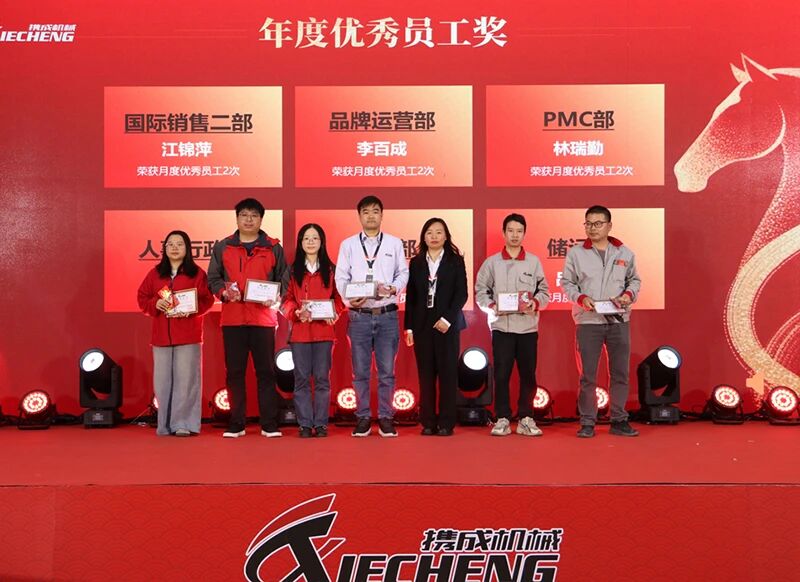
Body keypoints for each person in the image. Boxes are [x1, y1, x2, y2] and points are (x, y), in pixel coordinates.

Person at [207, 198, 288, 438]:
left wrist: (275, 297)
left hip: (263, 320)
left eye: (254, 215)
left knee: (266, 372)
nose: (249, 219)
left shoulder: (274, 247)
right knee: (234, 373)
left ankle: (269, 424)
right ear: (237, 218)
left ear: (261, 219)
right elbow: (213, 278)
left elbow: (284, 280)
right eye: (244, 215)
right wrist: (223, 293)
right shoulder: (223, 247)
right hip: (233, 320)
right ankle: (236, 423)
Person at [562, 205, 642, 438]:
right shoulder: (576, 253)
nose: (592, 228)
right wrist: (581, 298)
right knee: (588, 375)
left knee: (620, 373)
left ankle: (619, 419)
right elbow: (567, 283)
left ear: (609, 226)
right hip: (588, 321)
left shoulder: (624, 253)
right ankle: (588, 422)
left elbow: (634, 281)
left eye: (598, 224)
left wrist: (628, 295)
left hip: (618, 320)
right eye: (588, 224)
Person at [335, 195, 409, 437]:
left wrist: (394, 288)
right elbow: (340, 277)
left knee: (387, 371)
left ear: (382, 215)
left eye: (375, 211)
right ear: (359, 216)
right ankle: (363, 417)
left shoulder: (394, 243)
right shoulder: (348, 245)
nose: (370, 216)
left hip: (387, 314)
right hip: (359, 315)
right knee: (361, 372)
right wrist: (349, 300)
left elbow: (403, 272)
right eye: (365, 212)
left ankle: (386, 417)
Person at [475, 213, 550, 437]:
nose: (515, 235)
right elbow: (480, 291)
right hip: (502, 328)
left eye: (519, 231)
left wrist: (535, 303)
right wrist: (492, 306)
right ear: (504, 233)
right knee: (501, 375)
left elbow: (544, 291)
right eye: (510, 231)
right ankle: (503, 419)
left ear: (524, 233)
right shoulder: (492, 263)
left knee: (528, 375)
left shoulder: (533, 262)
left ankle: (526, 418)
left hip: (527, 328)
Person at [137, 230, 214, 436]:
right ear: (164, 248)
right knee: (162, 383)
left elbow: (208, 300)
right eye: (170, 244)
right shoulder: (155, 274)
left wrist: (193, 308)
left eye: (179, 244)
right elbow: (142, 298)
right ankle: (164, 425)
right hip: (161, 337)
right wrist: (155, 303)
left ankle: (184, 424)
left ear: (187, 248)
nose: (174, 248)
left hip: (189, 335)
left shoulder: (197, 274)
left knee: (187, 381)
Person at [404, 218, 468, 436]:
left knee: (448, 375)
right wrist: (409, 328)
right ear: (423, 236)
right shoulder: (416, 263)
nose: (434, 236)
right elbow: (411, 297)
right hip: (422, 325)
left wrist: (447, 319)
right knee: (426, 375)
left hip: (447, 325)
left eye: (439, 232)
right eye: (429, 232)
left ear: (446, 236)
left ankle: (446, 423)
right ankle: (428, 422)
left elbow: (461, 294)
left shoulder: (455, 261)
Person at [281, 224, 345, 438]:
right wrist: (296, 312)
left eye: (315, 238)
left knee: (322, 379)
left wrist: (334, 312)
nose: (310, 242)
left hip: (324, 333)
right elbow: (285, 299)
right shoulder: (292, 271)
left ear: (321, 242)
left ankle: (321, 424)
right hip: (299, 334)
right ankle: (305, 424)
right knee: (301, 380)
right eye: (306, 238)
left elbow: (339, 298)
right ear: (300, 243)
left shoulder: (332, 270)